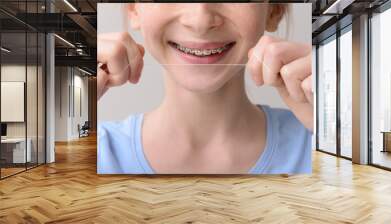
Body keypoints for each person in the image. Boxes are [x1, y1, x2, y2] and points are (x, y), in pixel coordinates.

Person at [97, 3, 313, 174]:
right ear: (134, 8)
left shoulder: (321, 140)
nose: (200, 21)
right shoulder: (91, 154)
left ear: (274, 9)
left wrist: (338, 132)